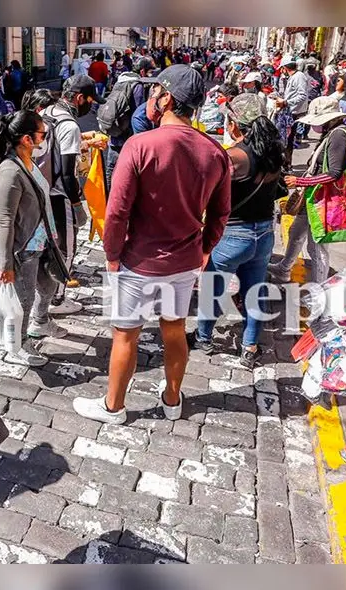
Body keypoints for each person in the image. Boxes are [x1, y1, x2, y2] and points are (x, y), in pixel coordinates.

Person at [72, 65, 231, 425]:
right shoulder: (214, 151)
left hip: (139, 261)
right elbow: (221, 213)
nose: (151, 98)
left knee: (125, 334)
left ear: (167, 98)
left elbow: (117, 211)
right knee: (174, 330)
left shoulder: (140, 145)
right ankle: (172, 400)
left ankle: (114, 406)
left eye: (155, 91)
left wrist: (112, 254)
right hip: (185, 260)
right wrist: (204, 249)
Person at [192, 94, 286, 367]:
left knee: (213, 289)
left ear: (234, 124)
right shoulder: (274, 153)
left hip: (233, 234)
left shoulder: (234, 157)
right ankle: (250, 347)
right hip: (264, 234)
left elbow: (206, 189)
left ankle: (204, 337)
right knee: (254, 292)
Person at [0, 110, 61, 367]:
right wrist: (5, 263)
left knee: (49, 286)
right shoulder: (10, 172)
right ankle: (18, 344)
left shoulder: (27, 161)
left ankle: (41, 322)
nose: (45, 139)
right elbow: (4, 221)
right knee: (24, 299)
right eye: (42, 134)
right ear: (27, 139)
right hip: (23, 248)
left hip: (41, 241)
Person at [270, 97, 346, 284]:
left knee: (317, 247)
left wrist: (300, 181)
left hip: (324, 199)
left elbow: (334, 174)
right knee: (296, 232)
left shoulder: (339, 135)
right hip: (314, 195)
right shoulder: (333, 132)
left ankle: (319, 287)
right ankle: (284, 268)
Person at [41, 75, 103, 314]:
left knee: (45, 245)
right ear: (79, 98)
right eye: (89, 100)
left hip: (40, 190)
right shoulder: (69, 125)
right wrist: (77, 206)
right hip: (59, 196)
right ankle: (56, 299)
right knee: (66, 249)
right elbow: (67, 174)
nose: (91, 105)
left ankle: (43, 292)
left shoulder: (46, 112)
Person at [274, 55, 310, 165]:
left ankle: (287, 164)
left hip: (293, 114)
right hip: (288, 112)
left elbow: (302, 95)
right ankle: (285, 163)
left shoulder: (299, 77)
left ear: (285, 68)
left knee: (288, 141)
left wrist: (285, 102)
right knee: (284, 140)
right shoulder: (293, 77)